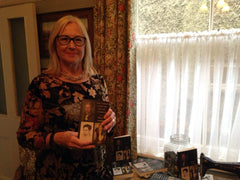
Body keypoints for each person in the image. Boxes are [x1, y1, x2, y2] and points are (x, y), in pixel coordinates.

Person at [17, 15, 116, 179]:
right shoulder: (41, 85)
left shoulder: (98, 82)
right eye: (64, 39)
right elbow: (24, 136)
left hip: (97, 173)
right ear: (55, 44)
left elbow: (103, 128)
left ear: (85, 45)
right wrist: (55, 138)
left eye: (78, 40)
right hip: (56, 174)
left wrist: (110, 121)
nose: (72, 45)